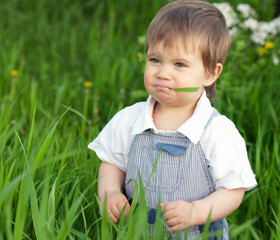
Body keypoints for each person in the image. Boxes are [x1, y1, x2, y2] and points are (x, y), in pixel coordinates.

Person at [88, 0, 257, 238]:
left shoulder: (217, 131)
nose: (163, 73)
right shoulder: (129, 119)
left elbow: (233, 190)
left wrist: (196, 211)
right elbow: (112, 163)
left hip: (197, 232)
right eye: (155, 60)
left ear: (210, 73)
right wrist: (110, 194)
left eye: (179, 64)